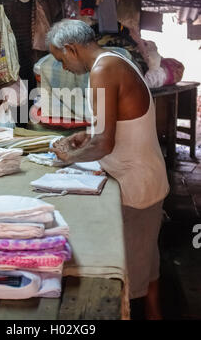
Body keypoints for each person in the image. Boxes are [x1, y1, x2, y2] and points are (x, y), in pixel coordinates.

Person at [46, 19, 170, 320]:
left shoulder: (103, 70)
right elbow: (120, 126)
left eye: (62, 60)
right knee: (148, 269)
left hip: (136, 186)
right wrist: (87, 136)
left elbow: (104, 144)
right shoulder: (115, 60)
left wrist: (68, 157)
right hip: (148, 179)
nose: (64, 68)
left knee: (127, 283)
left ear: (71, 49)